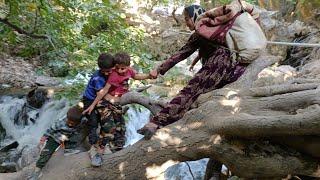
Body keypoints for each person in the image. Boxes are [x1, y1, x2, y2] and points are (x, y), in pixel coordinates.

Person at [138, 3, 255, 137]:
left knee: (189, 91)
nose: (186, 22)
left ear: (195, 16)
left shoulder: (200, 32)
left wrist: (158, 69)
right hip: (236, 69)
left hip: (219, 65)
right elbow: (208, 49)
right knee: (199, 97)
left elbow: (181, 54)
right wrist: (195, 62)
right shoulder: (213, 28)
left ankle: (157, 122)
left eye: (187, 18)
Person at [82, 52, 153, 165]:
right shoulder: (107, 76)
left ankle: (118, 148)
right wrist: (93, 105)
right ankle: (98, 152)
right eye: (117, 68)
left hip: (114, 101)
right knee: (106, 126)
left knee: (120, 126)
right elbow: (102, 93)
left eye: (122, 68)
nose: (119, 70)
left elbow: (136, 76)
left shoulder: (124, 70)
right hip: (101, 101)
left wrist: (149, 75)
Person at [32, 105, 84, 179]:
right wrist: (43, 139)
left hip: (67, 136)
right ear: (67, 118)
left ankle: (69, 149)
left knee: (75, 137)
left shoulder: (80, 121)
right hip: (54, 138)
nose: (70, 124)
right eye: (69, 121)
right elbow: (50, 129)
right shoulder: (60, 122)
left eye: (73, 123)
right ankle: (38, 169)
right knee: (46, 153)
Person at [81, 53, 115, 165]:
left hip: (101, 100)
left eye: (109, 70)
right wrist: (116, 100)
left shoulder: (114, 71)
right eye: (104, 71)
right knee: (93, 122)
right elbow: (102, 94)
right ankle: (93, 146)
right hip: (90, 100)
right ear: (100, 69)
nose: (106, 73)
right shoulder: (97, 78)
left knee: (104, 121)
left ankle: (102, 144)